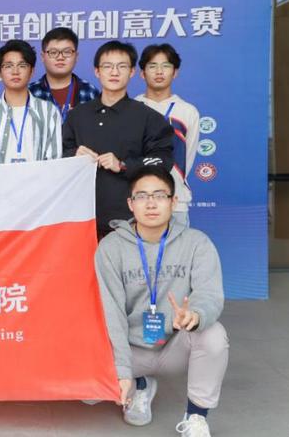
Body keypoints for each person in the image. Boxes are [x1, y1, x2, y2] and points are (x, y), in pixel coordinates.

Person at [95, 165, 228, 437]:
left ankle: (196, 415)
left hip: (174, 346)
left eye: (159, 195)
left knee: (213, 334)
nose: (151, 203)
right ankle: (139, 384)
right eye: (142, 196)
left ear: (173, 201)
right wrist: (122, 372)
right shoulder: (111, 247)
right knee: (87, 393)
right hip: (130, 349)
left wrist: (195, 315)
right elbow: (112, 312)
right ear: (130, 204)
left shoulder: (196, 243)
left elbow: (209, 293)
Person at [62, 40, 174, 239]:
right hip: (80, 217)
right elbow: (57, 156)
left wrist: (123, 165)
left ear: (132, 72)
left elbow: (163, 160)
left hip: (128, 220)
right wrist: (73, 154)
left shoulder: (148, 117)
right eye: (107, 66)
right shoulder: (77, 115)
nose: (114, 72)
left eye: (122, 66)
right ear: (97, 71)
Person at [136, 44, 200, 226]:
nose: (159, 71)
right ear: (142, 73)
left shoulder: (187, 111)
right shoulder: (132, 108)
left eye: (166, 66)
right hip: (137, 201)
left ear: (175, 72)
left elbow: (187, 158)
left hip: (175, 202)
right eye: (152, 66)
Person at [0, 40, 62, 165]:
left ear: (32, 71)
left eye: (22, 65)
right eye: (8, 66)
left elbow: (54, 162)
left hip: (39, 178)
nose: (15, 71)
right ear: (0, 73)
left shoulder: (48, 112)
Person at [29, 27, 100, 121]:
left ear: (76, 56)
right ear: (43, 57)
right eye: (53, 52)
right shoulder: (30, 93)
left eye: (67, 52)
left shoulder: (90, 91)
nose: (60, 57)